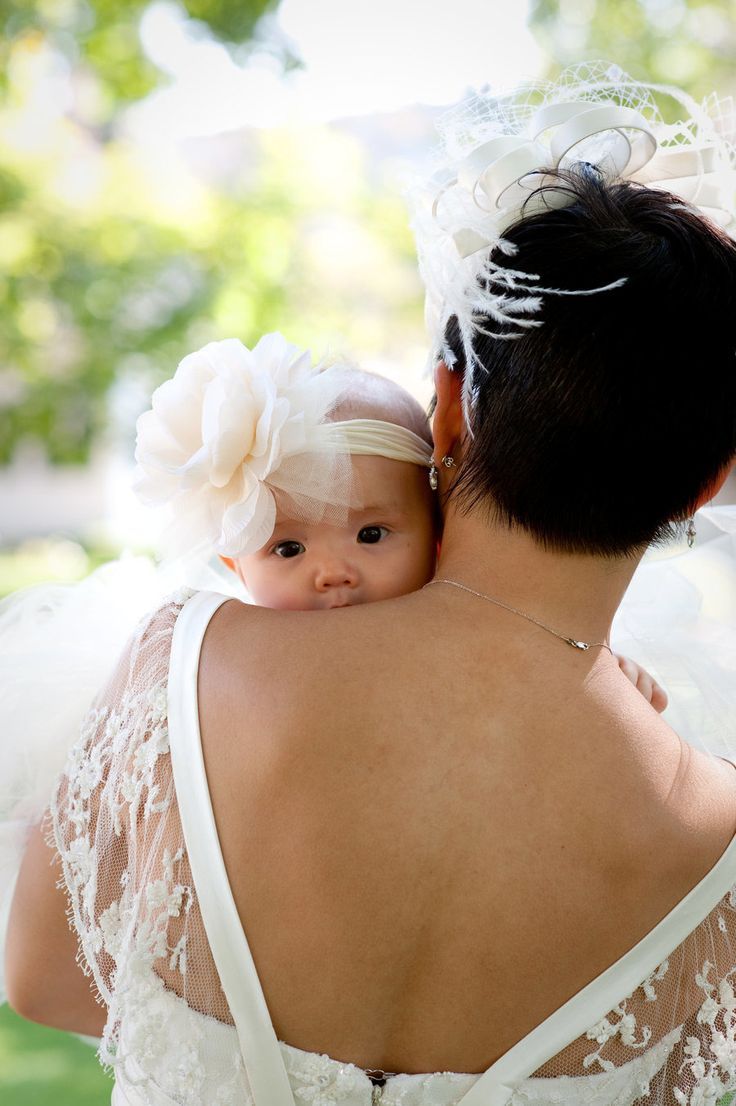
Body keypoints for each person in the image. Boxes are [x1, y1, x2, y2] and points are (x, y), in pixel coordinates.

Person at [6, 62, 736, 1106]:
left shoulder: (191, 662)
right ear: (707, 482)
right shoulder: (716, 847)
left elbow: (39, 979)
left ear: (448, 408)